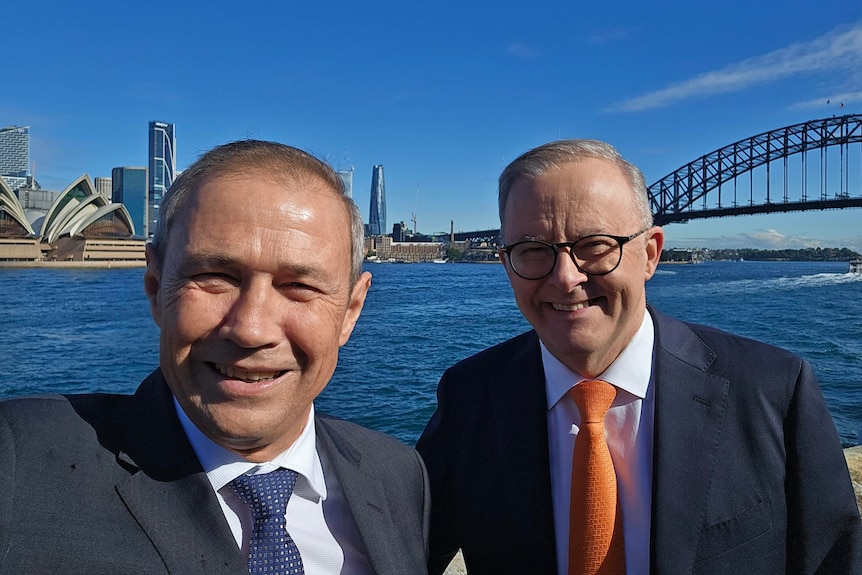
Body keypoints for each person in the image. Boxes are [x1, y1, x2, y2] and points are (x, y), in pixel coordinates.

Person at [416, 139, 861, 574]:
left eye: (594, 245)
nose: (565, 277)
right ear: (506, 262)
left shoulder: (774, 390)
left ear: (650, 254)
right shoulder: (469, 396)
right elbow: (403, 552)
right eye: (533, 251)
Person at [0, 140, 429, 574]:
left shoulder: (399, 475)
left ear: (349, 314)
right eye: (214, 277)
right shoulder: (18, 463)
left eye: (300, 286)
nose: (251, 329)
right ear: (155, 288)